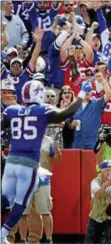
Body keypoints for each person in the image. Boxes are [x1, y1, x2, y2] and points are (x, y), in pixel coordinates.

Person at [1, 79, 92, 243]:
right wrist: (81, 95)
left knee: (7, 201)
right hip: (29, 163)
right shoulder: (42, 110)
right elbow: (65, 114)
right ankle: (3, 234)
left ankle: (4, 234)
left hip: (12, 162)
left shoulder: (12, 111)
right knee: (21, 203)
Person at [17, 136, 62, 244]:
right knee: (23, 212)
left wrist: (56, 149)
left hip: (42, 180)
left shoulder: (48, 140)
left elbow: (57, 159)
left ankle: (49, 239)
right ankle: (23, 239)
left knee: (45, 210)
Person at [84, 161, 111, 244]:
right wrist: (107, 184)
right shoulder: (96, 182)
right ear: (101, 171)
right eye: (107, 170)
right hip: (96, 219)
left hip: (110, 220)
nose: (109, 173)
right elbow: (97, 194)